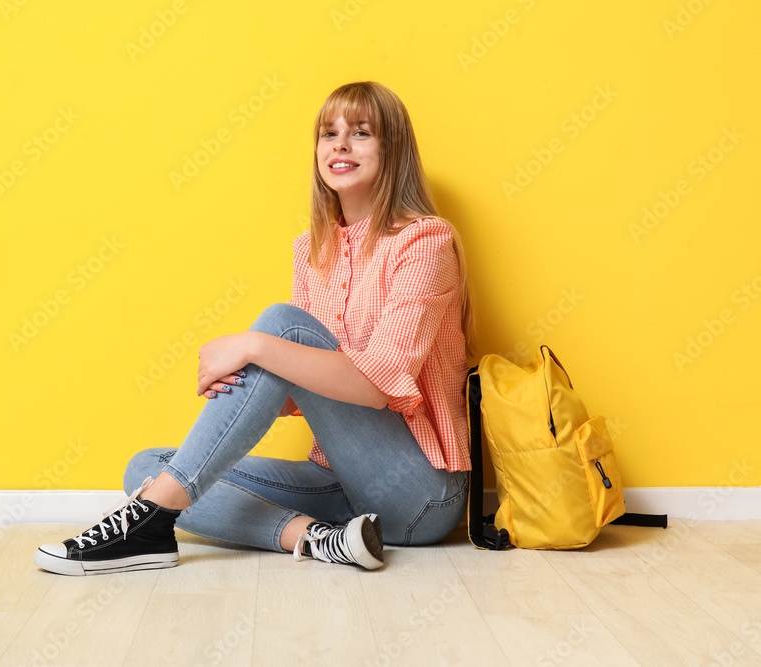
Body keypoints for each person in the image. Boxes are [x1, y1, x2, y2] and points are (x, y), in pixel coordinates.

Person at [34, 81, 474, 576]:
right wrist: (245, 387)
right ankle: (319, 540)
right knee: (150, 469)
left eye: (361, 133)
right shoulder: (312, 252)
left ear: (393, 151)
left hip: (420, 494)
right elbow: (303, 390)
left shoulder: (425, 243)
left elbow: (373, 389)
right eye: (328, 133)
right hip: (341, 484)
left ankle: (145, 526)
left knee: (281, 327)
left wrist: (252, 347)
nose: (340, 145)